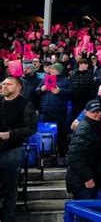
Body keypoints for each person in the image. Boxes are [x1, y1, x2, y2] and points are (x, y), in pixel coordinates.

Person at [0, 76, 38, 222]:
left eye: (8, 84)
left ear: (18, 87)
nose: (4, 86)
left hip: (12, 150)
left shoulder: (26, 104)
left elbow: (31, 129)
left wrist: (10, 134)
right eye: (3, 84)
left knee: (10, 189)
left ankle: (7, 218)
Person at [66, 100, 101, 199]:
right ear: (86, 112)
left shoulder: (95, 127)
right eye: (94, 112)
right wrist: (88, 178)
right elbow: (74, 158)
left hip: (89, 179)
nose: (97, 114)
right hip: (83, 183)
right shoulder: (85, 129)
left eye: (99, 111)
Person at [36, 62, 72, 164]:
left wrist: (60, 91)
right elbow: (37, 91)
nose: (50, 70)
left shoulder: (66, 81)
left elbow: (71, 93)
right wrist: (41, 89)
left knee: (61, 133)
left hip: (59, 111)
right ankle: (45, 155)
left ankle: (61, 155)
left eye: (52, 68)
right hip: (45, 111)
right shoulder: (45, 79)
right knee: (45, 134)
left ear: (58, 70)